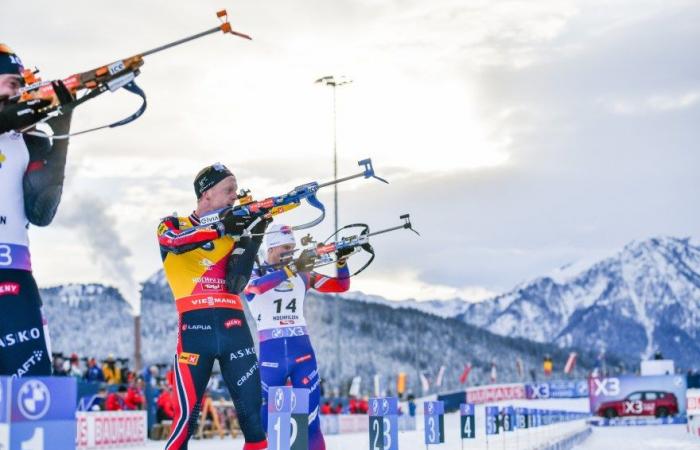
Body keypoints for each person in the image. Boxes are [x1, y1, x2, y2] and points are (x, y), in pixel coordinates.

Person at [157, 163, 268, 450]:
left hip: (234, 330)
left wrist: (254, 234)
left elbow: (236, 283)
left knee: (254, 419)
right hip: (195, 331)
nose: (234, 195)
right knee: (186, 421)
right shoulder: (172, 223)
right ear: (206, 194)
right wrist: (221, 227)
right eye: (228, 189)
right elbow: (174, 243)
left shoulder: (233, 233)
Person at [0, 44, 73, 377]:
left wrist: (61, 130)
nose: (17, 90)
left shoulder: (26, 140)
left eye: (19, 84)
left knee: (33, 384)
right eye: (11, 82)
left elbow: (42, 213)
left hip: (12, 272)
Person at [244, 223, 351, 450]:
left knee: (311, 422)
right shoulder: (254, 272)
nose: (290, 252)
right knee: (267, 425)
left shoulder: (303, 275)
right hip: (271, 358)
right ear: (271, 248)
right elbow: (255, 289)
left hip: (302, 353)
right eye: (285, 248)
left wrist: (341, 262)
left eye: (293, 247)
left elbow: (341, 286)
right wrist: (290, 269)